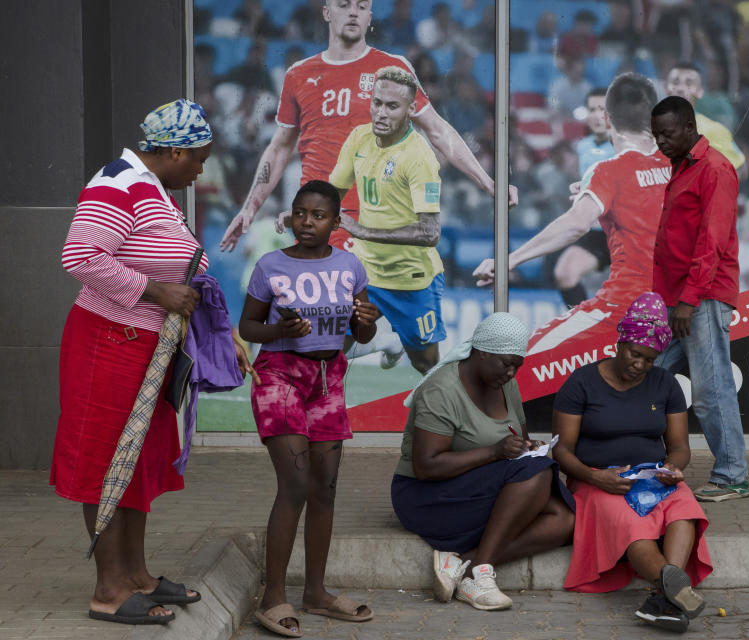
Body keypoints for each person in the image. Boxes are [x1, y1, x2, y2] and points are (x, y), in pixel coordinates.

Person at [52, 99, 254, 625]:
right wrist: (153, 292)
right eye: (199, 158)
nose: (202, 168)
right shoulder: (117, 182)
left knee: (139, 456)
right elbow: (80, 256)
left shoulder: (155, 191)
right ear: (173, 151)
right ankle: (109, 589)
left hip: (149, 345)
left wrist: (219, 328)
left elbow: (184, 273)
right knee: (106, 456)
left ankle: (137, 575)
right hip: (108, 341)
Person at [219, 0, 516, 253]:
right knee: (323, 321)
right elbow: (280, 147)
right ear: (326, 12)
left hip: (382, 226)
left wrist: (488, 182)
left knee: (371, 320)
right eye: (344, 4)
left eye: (362, 6)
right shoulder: (298, 75)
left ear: (370, 17)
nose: (353, 12)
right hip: (320, 225)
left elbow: (438, 130)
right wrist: (249, 207)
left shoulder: (393, 68)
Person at [239, 180, 379, 637]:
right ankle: (272, 596)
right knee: (295, 483)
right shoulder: (270, 265)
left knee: (325, 488)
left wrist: (365, 323)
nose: (306, 222)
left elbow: (362, 336)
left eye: (318, 216)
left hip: (328, 380)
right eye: (300, 213)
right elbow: (249, 326)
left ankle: (316, 592)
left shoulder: (350, 266)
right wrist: (281, 331)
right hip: (279, 374)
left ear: (336, 224)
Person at [474, 73, 668, 361]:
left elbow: (577, 223)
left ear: (607, 117)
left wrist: (508, 261)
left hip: (623, 306)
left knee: (520, 361)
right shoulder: (676, 164)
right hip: (672, 306)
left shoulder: (608, 169)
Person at [391, 313, 575, 611]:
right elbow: (426, 467)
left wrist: (528, 447)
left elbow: (519, 443)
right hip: (425, 497)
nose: (512, 373)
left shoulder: (506, 385)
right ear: (482, 351)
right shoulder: (443, 390)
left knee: (565, 520)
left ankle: (464, 563)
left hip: (478, 489)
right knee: (538, 476)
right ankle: (480, 573)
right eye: (506, 363)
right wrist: (494, 451)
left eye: (518, 365)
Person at [552, 292, 711, 634]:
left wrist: (672, 467)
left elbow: (680, 446)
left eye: (650, 359)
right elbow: (561, 451)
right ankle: (677, 593)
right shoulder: (581, 382)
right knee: (631, 523)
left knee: (683, 507)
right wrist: (596, 477)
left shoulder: (665, 383)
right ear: (620, 341)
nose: (639, 364)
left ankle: (665, 598)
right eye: (634, 354)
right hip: (596, 481)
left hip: (652, 476)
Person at [650, 96, 749, 502]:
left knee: (711, 391)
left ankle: (732, 476)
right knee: (648, 375)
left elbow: (712, 242)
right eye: (656, 134)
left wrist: (688, 301)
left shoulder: (715, 169)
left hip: (700, 299)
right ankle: (642, 460)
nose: (660, 142)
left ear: (690, 128)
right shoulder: (683, 167)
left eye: (668, 134)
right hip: (678, 301)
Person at [326, 66, 446, 374]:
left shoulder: (420, 157)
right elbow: (333, 192)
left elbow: (431, 232)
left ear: (411, 109)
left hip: (411, 279)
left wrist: (363, 231)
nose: (381, 112)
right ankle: (319, 418)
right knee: (329, 351)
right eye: (377, 102)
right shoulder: (359, 138)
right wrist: (304, 211)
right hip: (366, 273)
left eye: (392, 106)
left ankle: (393, 344)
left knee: (427, 367)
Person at [554, 87, 616, 307]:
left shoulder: (627, 145)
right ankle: (583, 330)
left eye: (603, 109)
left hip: (627, 233)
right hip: (597, 231)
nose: (597, 115)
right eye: (592, 109)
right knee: (565, 273)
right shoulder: (583, 147)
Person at [665, 62, 746, 172]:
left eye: (688, 83)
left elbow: (740, 169)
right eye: (676, 82)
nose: (680, 89)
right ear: (666, 87)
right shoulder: (649, 130)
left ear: (699, 91)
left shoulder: (715, 130)